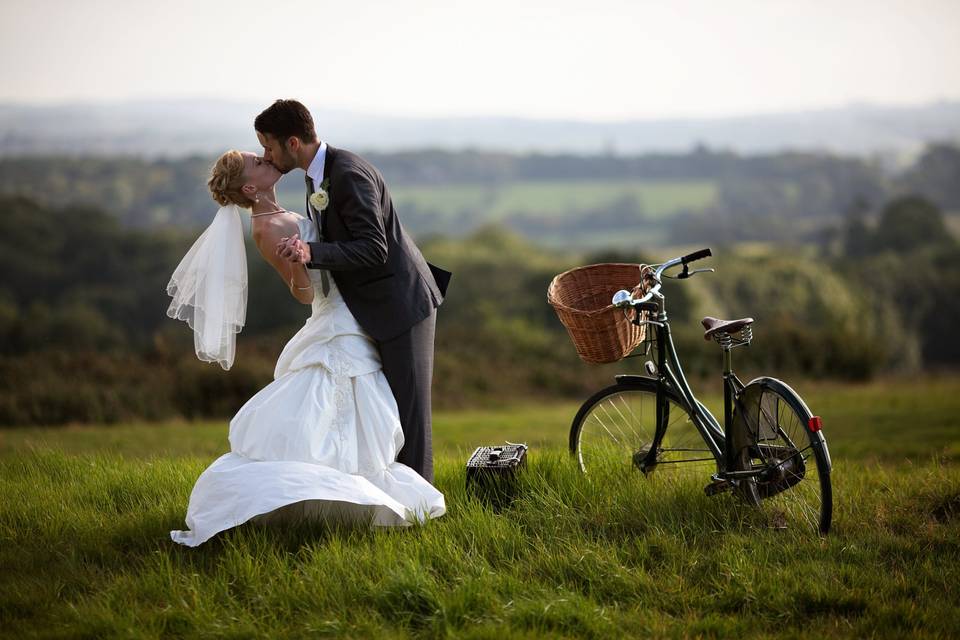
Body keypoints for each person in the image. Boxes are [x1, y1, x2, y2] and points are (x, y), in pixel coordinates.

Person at [166, 150, 445, 547]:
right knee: (345, 397)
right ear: (250, 187)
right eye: (258, 163)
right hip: (335, 315)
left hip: (350, 307)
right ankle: (341, 489)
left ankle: (365, 486)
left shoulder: (286, 207)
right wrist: (299, 264)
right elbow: (301, 293)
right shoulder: (266, 229)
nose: (267, 161)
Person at [257, 99, 449, 484]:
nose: (267, 155)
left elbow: (374, 248)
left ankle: (421, 507)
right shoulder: (318, 175)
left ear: (292, 142)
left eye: (269, 146)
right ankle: (397, 499)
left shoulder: (346, 174)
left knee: (410, 415)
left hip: (401, 303)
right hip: (374, 306)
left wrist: (312, 251)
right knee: (391, 412)